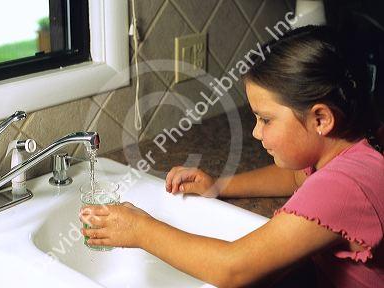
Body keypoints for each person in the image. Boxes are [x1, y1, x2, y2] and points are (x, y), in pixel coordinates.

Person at [79, 25, 384, 287]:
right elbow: (296, 177)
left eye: (265, 119)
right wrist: (219, 186)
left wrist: (140, 230)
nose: (256, 132)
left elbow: (232, 268)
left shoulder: (344, 186)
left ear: (320, 119)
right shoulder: (352, 152)